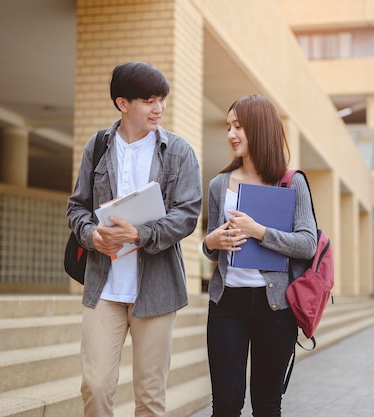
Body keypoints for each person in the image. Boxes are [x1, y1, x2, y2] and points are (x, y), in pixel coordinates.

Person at [66, 61, 202, 417]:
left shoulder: (179, 151)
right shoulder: (97, 146)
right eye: (149, 100)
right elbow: (77, 207)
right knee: (94, 387)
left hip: (156, 290)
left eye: (162, 100)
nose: (159, 108)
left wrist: (141, 233)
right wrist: (92, 236)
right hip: (104, 286)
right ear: (122, 103)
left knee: (150, 395)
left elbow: (188, 214)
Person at [201, 94, 317, 417]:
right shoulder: (218, 185)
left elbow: (307, 243)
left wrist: (258, 231)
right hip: (227, 305)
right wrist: (211, 241)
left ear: (260, 128)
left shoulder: (291, 182)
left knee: (267, 405)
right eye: (228, 127)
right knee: (225, 405)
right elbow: (212, 250)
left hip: (276, 307)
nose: (231, 134)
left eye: (239, 126)